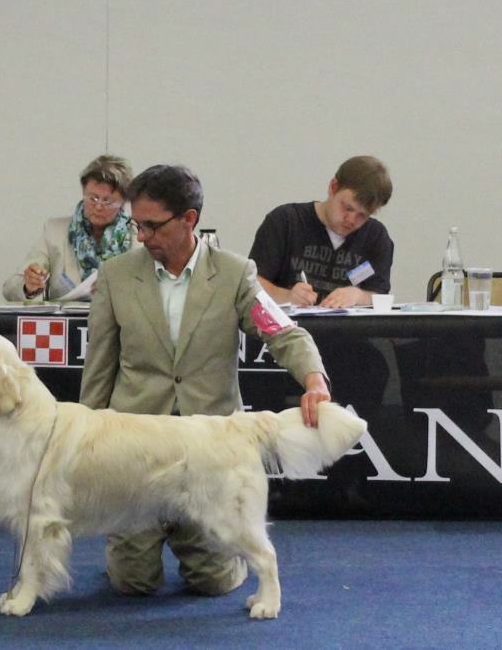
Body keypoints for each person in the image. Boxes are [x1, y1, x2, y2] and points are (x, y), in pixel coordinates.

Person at [79, 164, 331, 599]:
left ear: (189, 219)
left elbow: (283, 333)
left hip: (210, 454)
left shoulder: (235, 274)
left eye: (153, 226)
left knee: (213, 584)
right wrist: (87, 438)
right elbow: (99, 367)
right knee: (132, 583)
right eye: (137, 225)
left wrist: (314, 380)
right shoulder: (116, 276)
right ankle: (141, 544)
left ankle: (197, 543)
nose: (142, 236)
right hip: (137, 452)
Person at [249, 155, 394, 308]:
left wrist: (358, 296)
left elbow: (379, 294)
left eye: (363, 215)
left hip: (346, 323)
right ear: (333, 187)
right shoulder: (285, 221)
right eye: (347, 208)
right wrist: (287, 296)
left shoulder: (376, 237)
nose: (351, 220)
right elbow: (253, 284)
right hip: (287, 322)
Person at [2, 155, 136, 301]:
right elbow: (10, 289)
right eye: (93, 198)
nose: (98, 207)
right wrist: (29, 286)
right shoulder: (54, 232)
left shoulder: (138, 237)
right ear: (83, 193)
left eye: (107, 201)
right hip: (69, 315)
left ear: (124, 202)